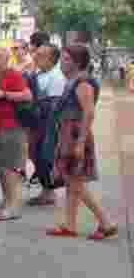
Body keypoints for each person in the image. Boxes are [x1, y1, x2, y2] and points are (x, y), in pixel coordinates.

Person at [46, 44, 118, 239]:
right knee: (72, 181)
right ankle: (70, 225)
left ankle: (106, 221)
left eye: (66, 59)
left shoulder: (82, 81)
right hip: (70, 133)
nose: (62, 62)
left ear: (78, 62)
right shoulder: (74, 81)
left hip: (75, 133)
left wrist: (80, 142)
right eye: (62, 58)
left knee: (74, 182)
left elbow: (89, 112)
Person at [0, 45, 33, 221]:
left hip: (11, 127)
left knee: (10, 169)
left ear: (6, 59)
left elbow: (27, 96)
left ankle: (13, 208)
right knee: (1, 168)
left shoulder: (13, 74)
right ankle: (6, 203)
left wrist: (2, 94)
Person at [27, 44, 66, 206]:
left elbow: (53, 106)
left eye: (41, 55)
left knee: (45, 156)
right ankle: (46, 189)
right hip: (37, 123)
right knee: (35, 155)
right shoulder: (39, 73)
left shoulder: (56, 76)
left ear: (52, 59)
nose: (36, 56)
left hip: (47, 124)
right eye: (36, 53)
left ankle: (49, 191)